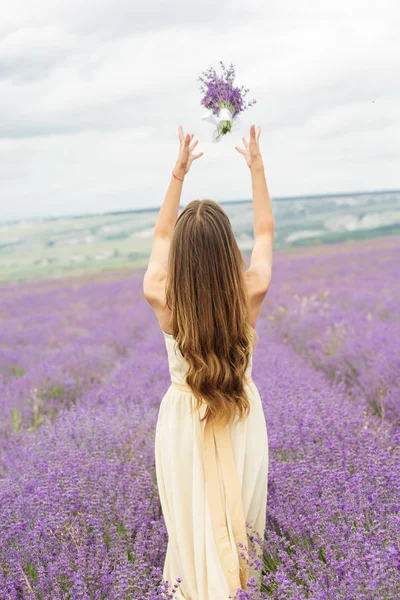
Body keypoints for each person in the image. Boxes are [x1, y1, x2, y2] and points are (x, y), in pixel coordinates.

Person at [143, 124, 274, 599]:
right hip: (240, 416)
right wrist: (256, 166)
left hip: (183, 425)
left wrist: (177, 174)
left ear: (179, 260)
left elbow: (160, 234)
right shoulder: (249, 291)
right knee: (243, 538)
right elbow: (264, 230)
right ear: (228, 254)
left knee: (190, 535)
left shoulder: (161, 295)